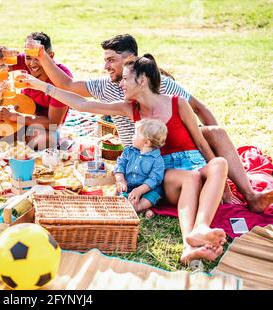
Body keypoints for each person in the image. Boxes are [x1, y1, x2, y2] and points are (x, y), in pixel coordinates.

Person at [21, 54, 229, 265]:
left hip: (196, 164)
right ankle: (188, 245)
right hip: (172, 175)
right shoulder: (129, 109)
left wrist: (224, 186)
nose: (121, 83)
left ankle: (201, 229)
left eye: (126, 78)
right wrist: (42, 86)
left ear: (143, 80)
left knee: (219, 163)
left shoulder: (178, 103)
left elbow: (202, 144)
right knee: (192, 177)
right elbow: (83, 104)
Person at [31, 34, 272, 213]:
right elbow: (71, 90)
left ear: (132, 61)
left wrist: (219, 157)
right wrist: (42, 61)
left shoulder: (161, 85)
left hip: (178, 145)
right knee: (198, 159)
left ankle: (250, 195)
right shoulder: (110, 89)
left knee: (216, 133)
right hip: (147, 153)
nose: (106, 66)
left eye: (111, 60)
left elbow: (198, 109)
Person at [0, 32, 73, 150]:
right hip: (19, 109)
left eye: (37, 58)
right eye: (28, 58)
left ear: (51, 56)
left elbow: (53, 123)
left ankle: (14, 136)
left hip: (42, 124)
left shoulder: (61, 78)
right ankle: (14, 135)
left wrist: (15, 117)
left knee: (44, 140)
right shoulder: (24, 60)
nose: (32, 64)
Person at [114, 119, 167, 219]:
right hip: (128, 185)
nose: (132, 137)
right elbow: (120, 165)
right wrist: (121, 180)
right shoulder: (128, 151)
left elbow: (154, 179)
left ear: (146, 142)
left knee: (156, 193)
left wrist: (139, 191)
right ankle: (131, 204)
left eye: (135, 134)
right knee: (120, 191)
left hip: (147, 189)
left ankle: (139, 207)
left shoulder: (157, 160)